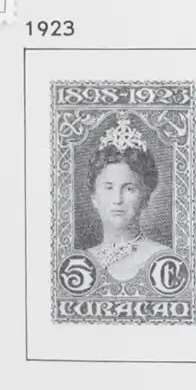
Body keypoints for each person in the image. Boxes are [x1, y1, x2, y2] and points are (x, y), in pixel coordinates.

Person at [81, 117, 172, 286]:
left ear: (145, 198)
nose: (117, 200)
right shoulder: (80, 263)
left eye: (129, 188)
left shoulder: (164, 260)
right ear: (94, 197)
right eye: (108, 188)